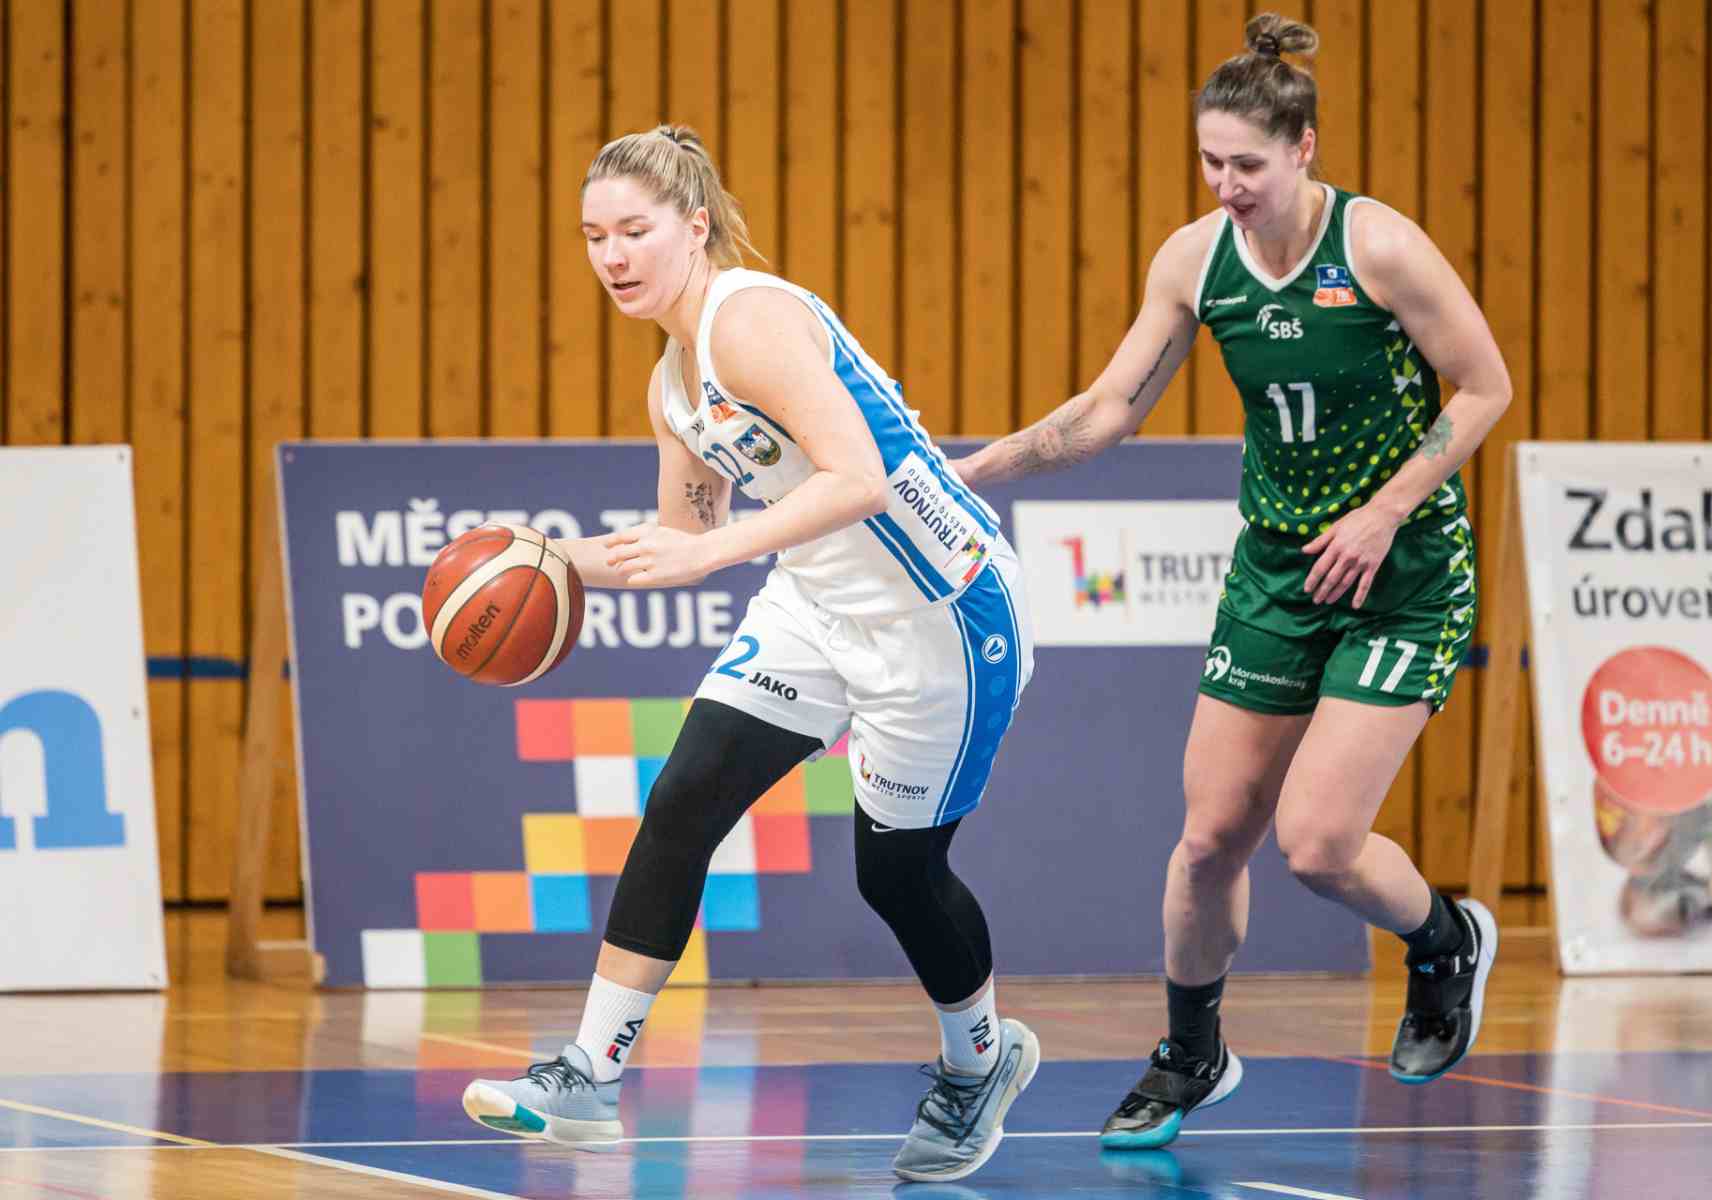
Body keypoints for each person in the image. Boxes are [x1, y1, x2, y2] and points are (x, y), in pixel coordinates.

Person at [953, 12, 1511, 1149]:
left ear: (1304, 148)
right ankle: (1192, 1053)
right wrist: (967, 473)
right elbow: (1108, 409)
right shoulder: (1195, 259)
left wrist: (1384, 509)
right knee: (1209, 840)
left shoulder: (1380, 247)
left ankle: (1446, 941)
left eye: (1247, 164)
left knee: (1318, 845)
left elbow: (1484, 386)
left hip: (1401, 573)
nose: (1226, 186)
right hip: (1277, 571)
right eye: (1210, 162)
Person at [458, 125, 1038, 1184]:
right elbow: (678, 537)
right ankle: (587, 1076)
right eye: (593, 237)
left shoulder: (751, 318)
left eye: (634, 231)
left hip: (939, 612)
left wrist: (713, 550)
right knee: (684, 798)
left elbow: (858, 477)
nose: (613, 256)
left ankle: (980, 1059)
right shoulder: (672, 383)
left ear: (694, 226)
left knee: (897, 876)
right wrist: (538, 558)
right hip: (815, 602)